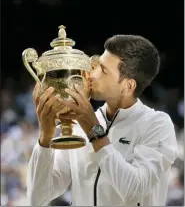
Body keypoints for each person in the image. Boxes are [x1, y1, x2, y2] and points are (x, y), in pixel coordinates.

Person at [27, 35, 178, 206]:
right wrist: (45, 139)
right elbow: (37, 199)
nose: (92, 74)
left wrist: (94, 130)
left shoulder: (157, 124)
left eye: (103, 70)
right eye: (96, 65)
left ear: (128, 86)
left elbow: (134, 190)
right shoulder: (78, 125)